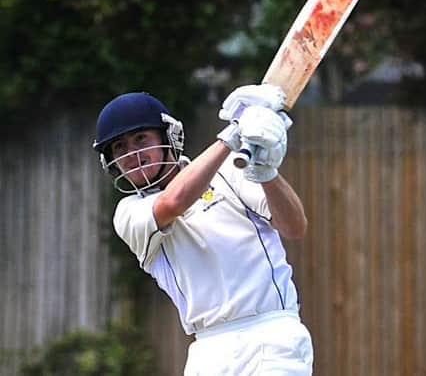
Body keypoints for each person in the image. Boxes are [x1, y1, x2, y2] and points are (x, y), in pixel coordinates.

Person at [92, 85, 313, 375]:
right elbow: (174, 201)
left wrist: (268, 174)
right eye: (120, 147)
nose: (132, 153)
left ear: (169, 135)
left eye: (140, 139)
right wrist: (233, 133)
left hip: (270, 334)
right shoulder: (129, 213)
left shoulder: (233, 171)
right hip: (207, 349)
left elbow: (295, 227)